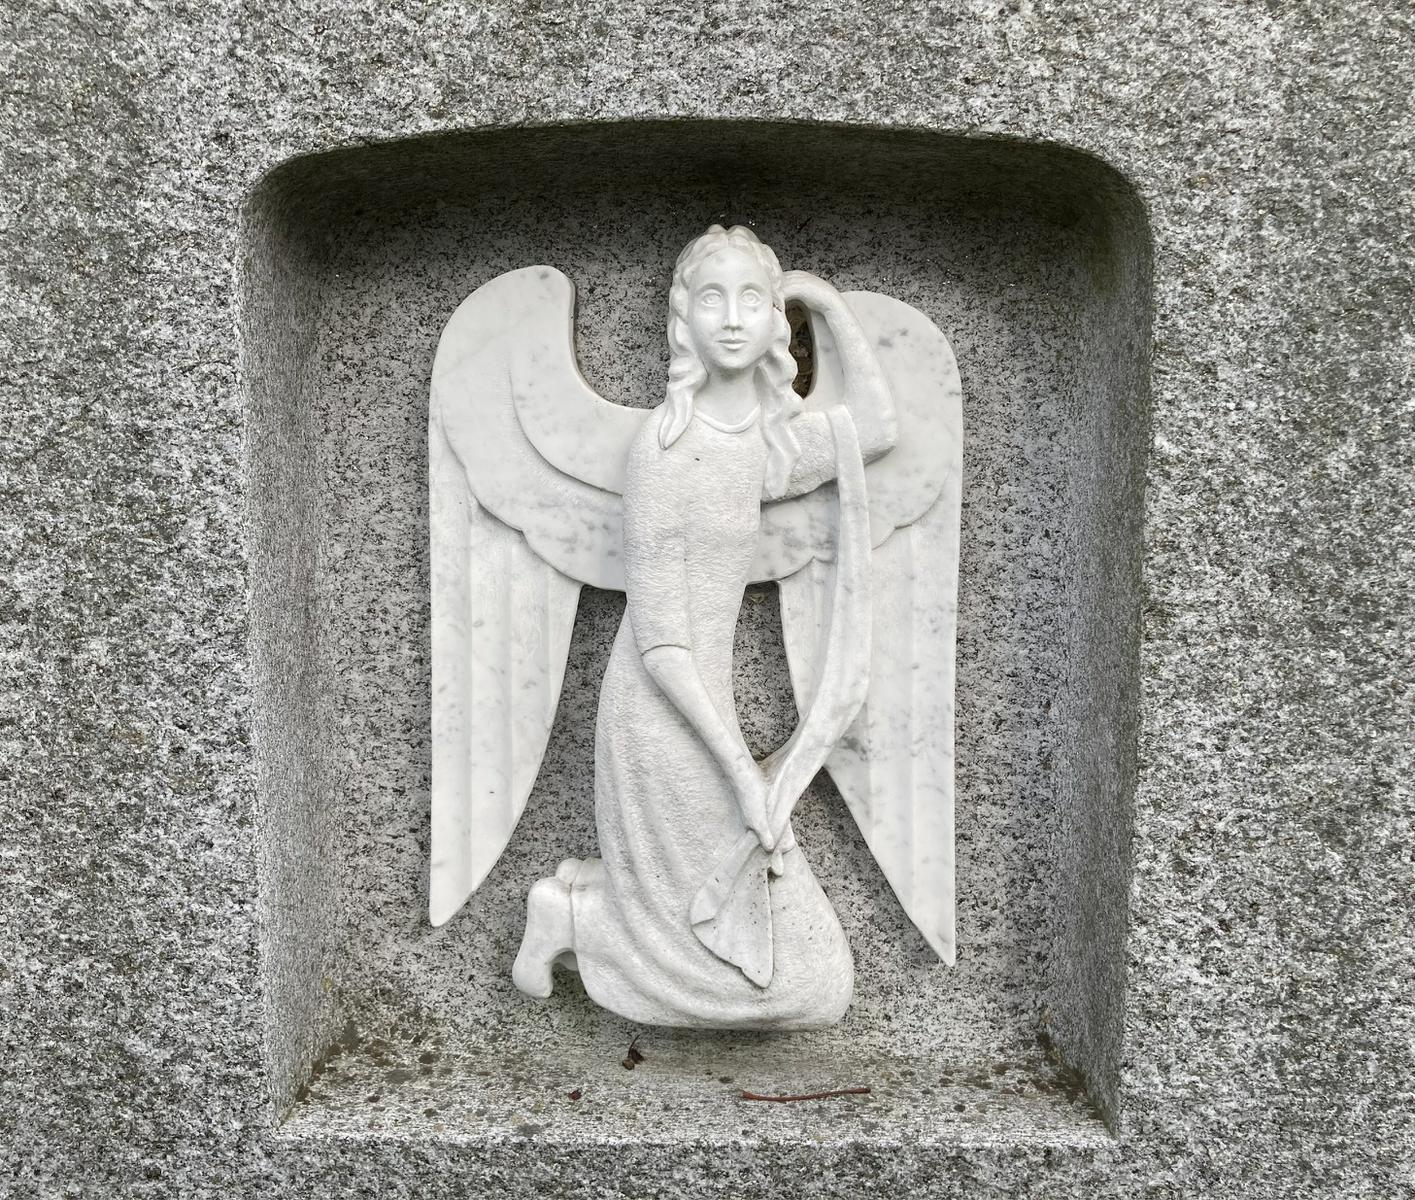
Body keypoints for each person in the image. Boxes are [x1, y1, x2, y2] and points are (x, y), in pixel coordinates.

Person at [512, 226, 895, 1028]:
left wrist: (823, 306)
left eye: (752, 300)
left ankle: (581, 907)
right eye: (711, 299)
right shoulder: (664, 449)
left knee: (804, 975)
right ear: (682, 319)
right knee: (797, 987)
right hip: (663, 711)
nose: (731, 318)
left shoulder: (757, 442)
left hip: (702, 707)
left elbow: (873, 430)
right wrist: (742, 776)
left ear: (772, 322)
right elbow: (661, 642)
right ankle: (579, 917)